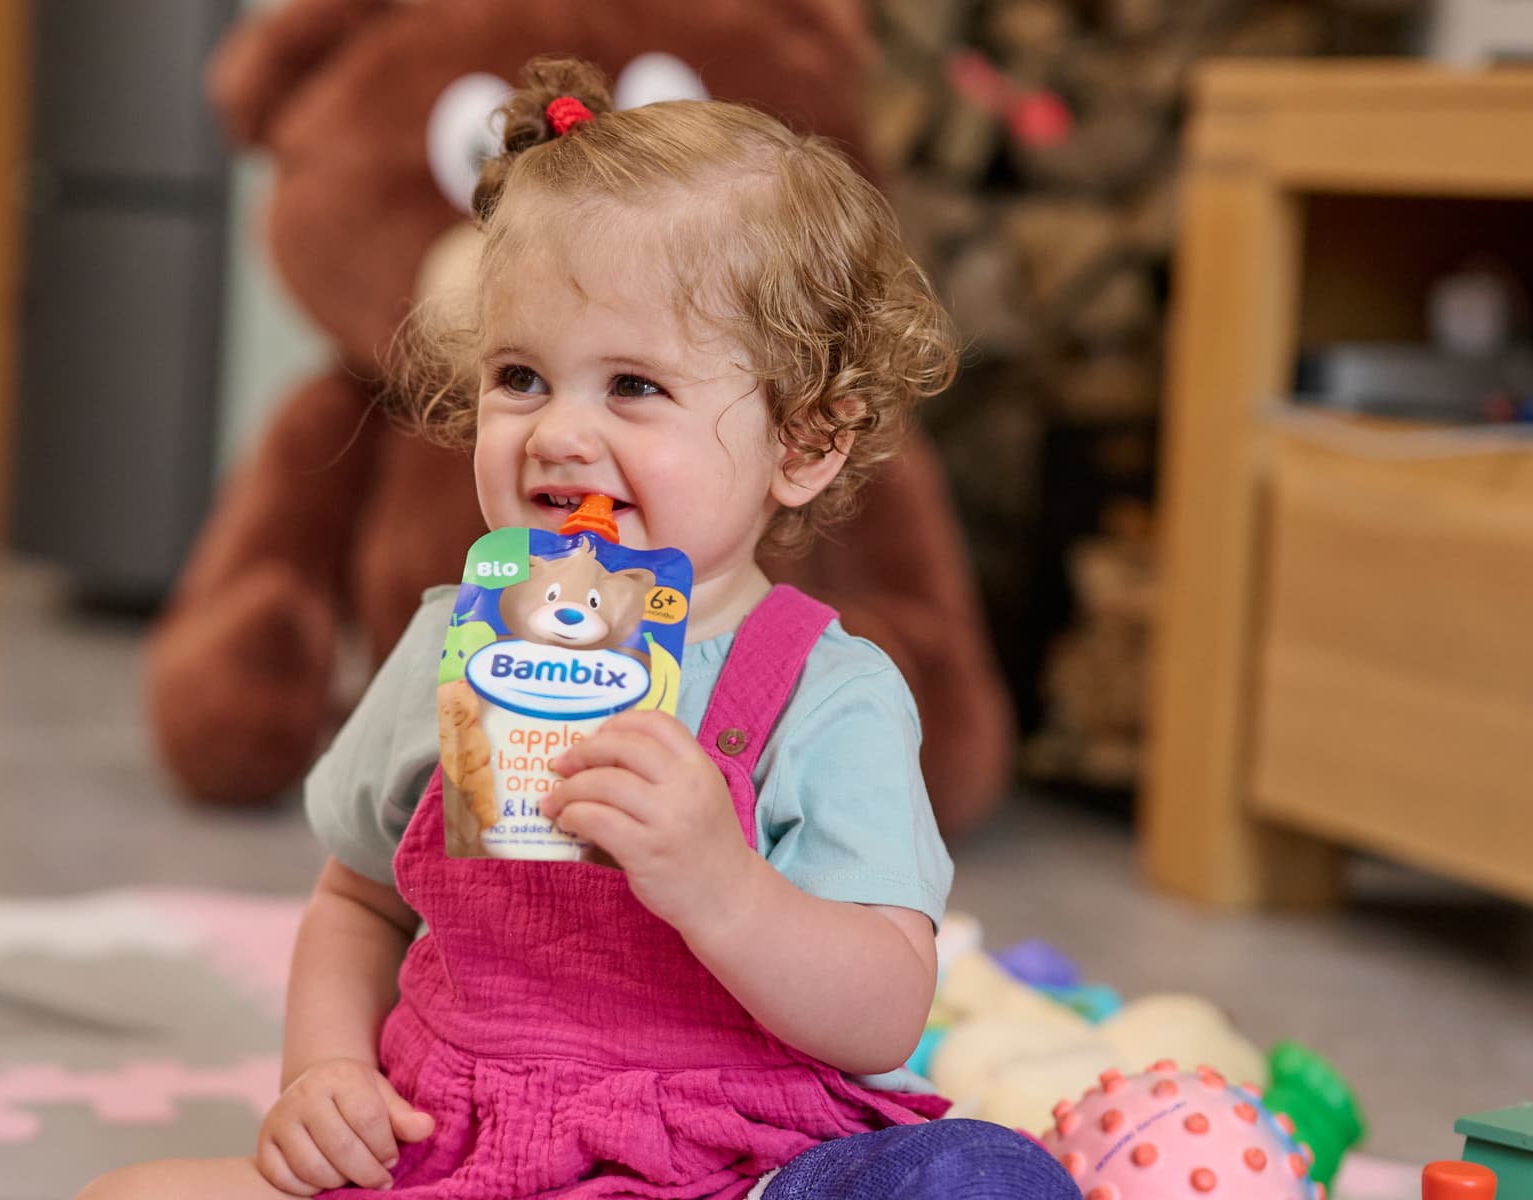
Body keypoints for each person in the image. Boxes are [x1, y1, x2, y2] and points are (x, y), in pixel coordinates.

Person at [79, 57, 1078, 1200]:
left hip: (732, 1164)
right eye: (520, 377)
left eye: (632, 387)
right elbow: (356, 900)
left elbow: (885, 1007)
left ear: (803, 441)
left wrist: (722, 886)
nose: (555, 432)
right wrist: (323, 1076)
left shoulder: (831, 693)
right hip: (458, 1145)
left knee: (981, 1181)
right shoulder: (451, 642)